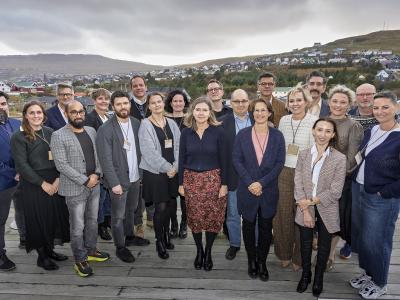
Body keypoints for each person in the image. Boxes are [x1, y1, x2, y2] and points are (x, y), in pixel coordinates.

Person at [51, 100, 110, 277]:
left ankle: (91, 250)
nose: (78, 115)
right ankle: (79, 258)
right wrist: (85, 180)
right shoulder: (58, 135)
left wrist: (97, 174)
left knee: (93, 221)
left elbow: (99, 156)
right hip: (75, 188)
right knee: (77, 226)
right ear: (67, 114)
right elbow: (61, 164)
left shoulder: (91, 131)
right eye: (74, 112)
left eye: (81, 112)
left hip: (95, 185)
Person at [350, 91, 400, 299]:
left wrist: (385, 191)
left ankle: (380, 282)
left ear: (396, 108)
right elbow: (362, 157)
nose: (379, 111)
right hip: (360, 190)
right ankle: (369, 274)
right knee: (364, 239)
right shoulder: (372, 131)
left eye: (385, 107)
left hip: (382, 198)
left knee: (378, 241)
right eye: (376, 107)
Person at [11, 101, 70, 271]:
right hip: (33, 183)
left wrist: (58, 179)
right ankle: (42, 256)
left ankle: (50, 250)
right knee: (38, 220)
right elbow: (22, 165)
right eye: (32, 113)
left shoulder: (51, 132)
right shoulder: (18, 137)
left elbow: (60, 157)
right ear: (25, 116)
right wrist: (42, 183)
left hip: (55, 180)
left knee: (52, 218)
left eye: (39, 112)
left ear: (44, 115)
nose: (36, 116)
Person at [232, 99, 285, 281]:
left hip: (268, 190)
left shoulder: (278, 136)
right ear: (252, 113)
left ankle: (261, 261)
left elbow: (279, 163)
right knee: (247, 226)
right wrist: (250, 183)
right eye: (256, 110)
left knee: (264, 228)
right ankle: (251, 260)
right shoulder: (242, 135)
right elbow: (237, 160)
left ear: (270, 113)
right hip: (247, 189)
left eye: (264, 110)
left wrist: (261, 183)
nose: (260, 114)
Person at [294, 117, 346, 297]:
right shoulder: (303, 154)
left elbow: (335, 191)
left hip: (327, 207)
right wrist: (305, 209)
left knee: (324, 246)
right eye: (319, 129)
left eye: (327, 131)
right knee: (306, 245)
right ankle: (306, 274)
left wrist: (310, 202)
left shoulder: (339, 158)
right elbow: (298, 182)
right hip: (304, 207)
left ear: (332, 135)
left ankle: (318, 278)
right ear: (313, 131)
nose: (322, 134)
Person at [178, 96, 228, 271]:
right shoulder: (185, 132)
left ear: (210, 112)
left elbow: (225, 159)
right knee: (195, 218)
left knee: (213, 218)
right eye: (198, 109)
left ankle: (208, 251)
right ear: (193, 111)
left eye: (204, 110)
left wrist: (224, 184)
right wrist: (180, 183)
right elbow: (181, 159)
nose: (201, 113)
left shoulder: (218, 132)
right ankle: (199, 250)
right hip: (191, 181)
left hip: (213, 181)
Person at [96, 91, 145, 263]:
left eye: (125, 103)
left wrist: (141, 175)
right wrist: (114, 183)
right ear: (113, 106)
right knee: (118, 217)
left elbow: (140, 151)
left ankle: (130, 236)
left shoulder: (136, 123)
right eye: (119, 104)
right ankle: (120, 247)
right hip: (118, 181)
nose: (123, 107)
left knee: (131, 209)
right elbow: (105, 159)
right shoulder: (106, 129)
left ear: (129, 104)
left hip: (134, 178)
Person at [273, 84, 318, 271]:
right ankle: (283, 253)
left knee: (302, 215)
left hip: (305, 173)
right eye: (292, 100)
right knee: (282, 215)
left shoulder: (315, 121)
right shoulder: (283, 120)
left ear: (306, 101)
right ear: (287, 103)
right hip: (283, 171)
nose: (295, 103)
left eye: (299, 100)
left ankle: (299, 258)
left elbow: (317, 151)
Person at [139, 92, 181, 259]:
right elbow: (149, 152)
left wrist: (176, 167)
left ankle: (167, 236)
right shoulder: (145, 124)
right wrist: (166, 168)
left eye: (159, 102)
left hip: (173, 171)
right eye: (153, 103)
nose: (157, 105)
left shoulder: (171, 123)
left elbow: (179, 146)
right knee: (161, 208)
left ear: (164, 104)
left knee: (171, 205)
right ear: (148, 106)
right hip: (156, 172)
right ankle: (159, 241)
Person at [325, 85, 363, 269]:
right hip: (318, 180)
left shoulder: (354, 126)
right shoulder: (322, 121)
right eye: (335, 101)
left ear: (350, 104)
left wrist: (334, 180)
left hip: (341, 181)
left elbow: (352, 159)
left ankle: (330, 254)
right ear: (329, 102)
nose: (338, 105)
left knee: (335, 218)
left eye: (343, 102)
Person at [220, 89, 253, 260]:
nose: (241, 105)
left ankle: (253, 243)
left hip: (254, 177)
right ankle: (234, 244)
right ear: (230, 103)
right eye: (236, 101)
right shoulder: (221, 123)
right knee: (233, 213)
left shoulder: (259, 119)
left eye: (244, 101)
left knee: (253, 212)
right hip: (232, 176)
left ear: (249, 102)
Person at [84, 88, 112, 241]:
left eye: (106, 99)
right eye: (100, 99)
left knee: (108, 196)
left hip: (110, 163)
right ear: (94, 100)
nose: (104, 102)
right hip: (98, 164)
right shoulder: (90, 118)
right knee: (100, 197)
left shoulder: (108, 117)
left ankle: (107, 222)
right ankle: (101, 226)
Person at [128, 75, 153, 239]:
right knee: (138, 190)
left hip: (154, 152)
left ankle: (151, 217)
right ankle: (138, 223)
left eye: (141, 85)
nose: (138, 88)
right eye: (135, 86)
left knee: (154, 185)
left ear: (146, 86)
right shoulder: (128, 105)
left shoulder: (153, 103)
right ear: (132, 88)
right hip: (135, 153)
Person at [0, 91, 21, 271]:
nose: (1, 107)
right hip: (3, 182)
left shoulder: (17, 123)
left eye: (3, 104)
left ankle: (27, 241)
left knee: (24, 212)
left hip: (23, 180)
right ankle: (0, 254)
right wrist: (13, 173)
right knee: (1, 219)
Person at [164, 90, 190, 239]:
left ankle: (184, 224)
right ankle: (173, 223)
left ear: (185, 103)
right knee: (172, 197)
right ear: (171, 103)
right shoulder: (165, 120)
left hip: (187, 163)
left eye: (181, 101)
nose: (178, 103)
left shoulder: (190, 120)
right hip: (170, 164)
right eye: (175, 101)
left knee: (185, 197)